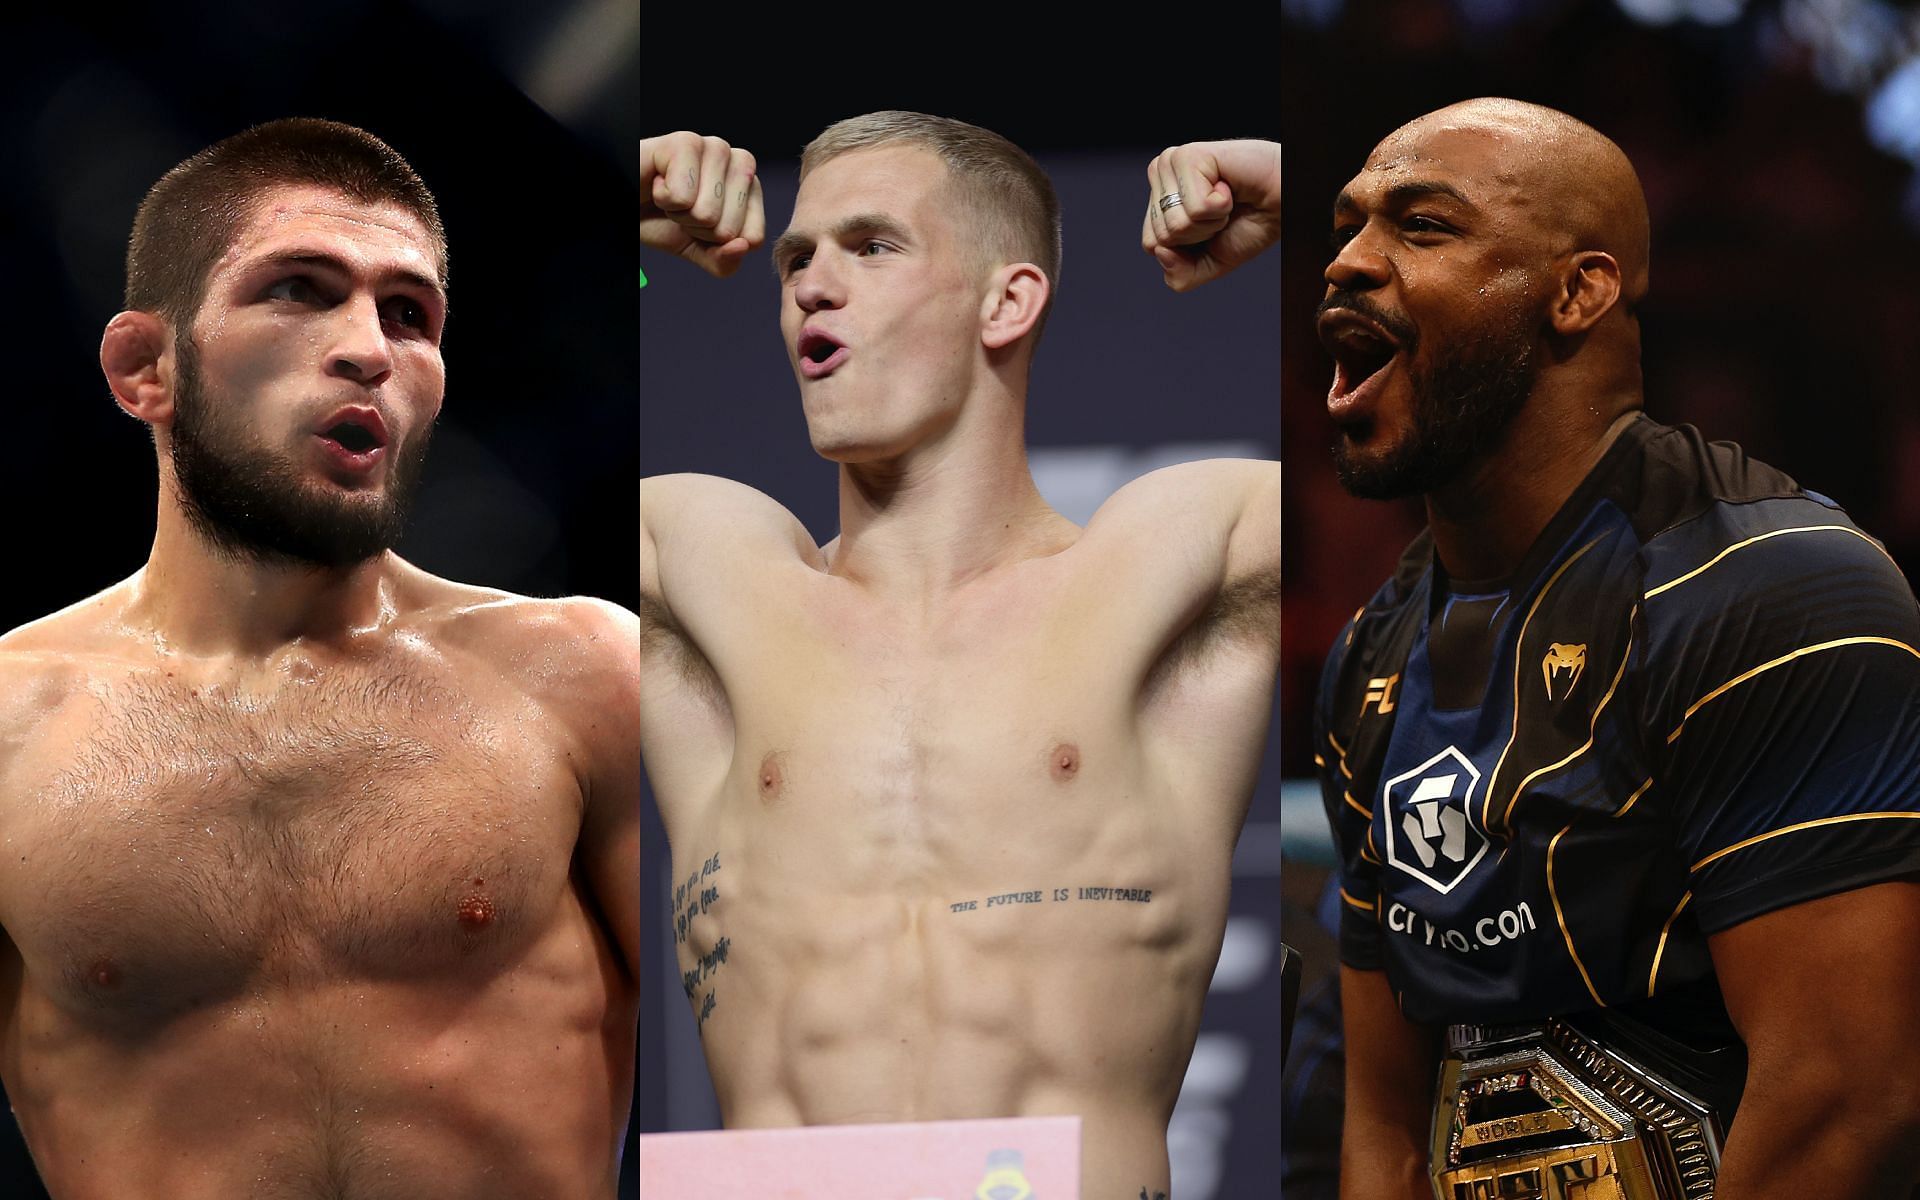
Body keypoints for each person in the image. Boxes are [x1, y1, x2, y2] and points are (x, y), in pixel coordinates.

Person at [639, 113, 1280, 1197]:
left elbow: (1433, 468)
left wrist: (1307, 194)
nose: (811, 285)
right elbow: (459, 484)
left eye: (871, 245)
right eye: (797, 257)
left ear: (1008, 300)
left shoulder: (1172, 562)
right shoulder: (707, 573)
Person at [0, 119, 640, 1198]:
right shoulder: (11, 729)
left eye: (410, 314)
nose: (369, 350)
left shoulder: (582, 678)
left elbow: (770, 1051)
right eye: (300, 289)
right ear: (143, 368)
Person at [1313, 97, 1920, 1199]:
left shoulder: (1768, 594)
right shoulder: (1370, 655)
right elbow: (1385, 1127)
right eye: (1348, 224)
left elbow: (1844, 1098)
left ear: (1579, 290)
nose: (1350, 262)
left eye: (1422, 226)